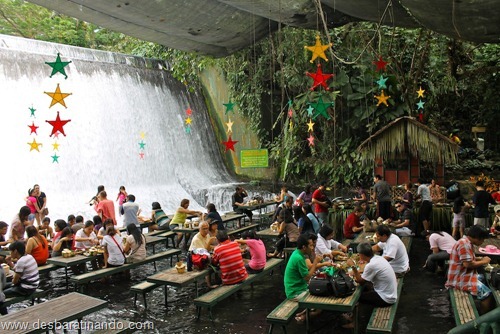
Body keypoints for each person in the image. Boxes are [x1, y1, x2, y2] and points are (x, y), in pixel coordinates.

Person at [445, 225, 494, 315]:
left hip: (462, 274)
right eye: (482, 239)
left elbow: (468, 259)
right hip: (460, 279)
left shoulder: (465, 242)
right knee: (487, 294)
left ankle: (479, 302)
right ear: (477, 237)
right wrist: (484, 261)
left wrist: (480, 259)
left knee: (483, 278)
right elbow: (468, 264)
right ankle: (484, 318)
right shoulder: (464, 244)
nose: (483, 242)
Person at [347, 242, 397, 307]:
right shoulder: (378, 258)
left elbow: (360, 281)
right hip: (391, 294)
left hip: (385, 298)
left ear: (361, 255)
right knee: (364, 287)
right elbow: (368, 272)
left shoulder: (371, 265)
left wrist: (353, 266)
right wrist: (358, 272)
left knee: (354, 297)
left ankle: (351, 314)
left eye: (359, 254)